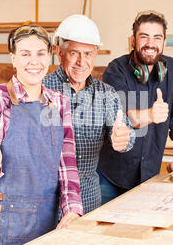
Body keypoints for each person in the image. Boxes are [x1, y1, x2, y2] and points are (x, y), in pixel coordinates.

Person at [0, 24, 83, 245]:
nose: (34, 61)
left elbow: (67, 163)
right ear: (13, 58)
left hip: (44, 216)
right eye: (25, 54)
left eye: (40, 53)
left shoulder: (59, 103)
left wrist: (72, 209)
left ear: (50, 56)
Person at [97, 10, 173, 205]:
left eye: (157, 37)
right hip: (110, 178)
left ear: (165, 43)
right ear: (133, 40)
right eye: (144, 37)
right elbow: (125, 120)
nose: (151, 43)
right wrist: (151, 114)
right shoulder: (115, 70)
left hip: (148, 177)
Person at [43, 14, 134, 213]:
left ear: (95, 54)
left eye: (88, 54)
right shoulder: (41, 89)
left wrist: (124, 138)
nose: (81, 62)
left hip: (88, 200)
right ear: (59, 52)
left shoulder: (106, 94)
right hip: (46, 203)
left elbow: (126, 133)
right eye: (74, 53)